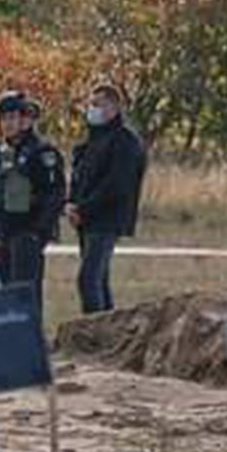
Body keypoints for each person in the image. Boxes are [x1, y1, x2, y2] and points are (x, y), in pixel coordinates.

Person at [67, 82, 148, 314]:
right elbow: (80, 175)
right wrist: (72, 204)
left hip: (107, 219)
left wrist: (84, 208)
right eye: (90, 104)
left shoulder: (125, 142)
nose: (91, 109)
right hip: (85, 219)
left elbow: (117, 185)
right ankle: (110, 330)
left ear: (113, 107)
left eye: (97, 104)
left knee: (88, 279)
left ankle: (95, 331)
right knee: (99, 279)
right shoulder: (92, 140)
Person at [0, 90, 67, 318]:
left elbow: (55, 194)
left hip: (27, 233)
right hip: (5, 235)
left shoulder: (42, 152)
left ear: (25, 119)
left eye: (13, 117)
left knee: (25, 298)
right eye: (3, 118)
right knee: (8, 298)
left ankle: (31, 348)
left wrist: (38, 232)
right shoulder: (5, 153)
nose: (8, 124)